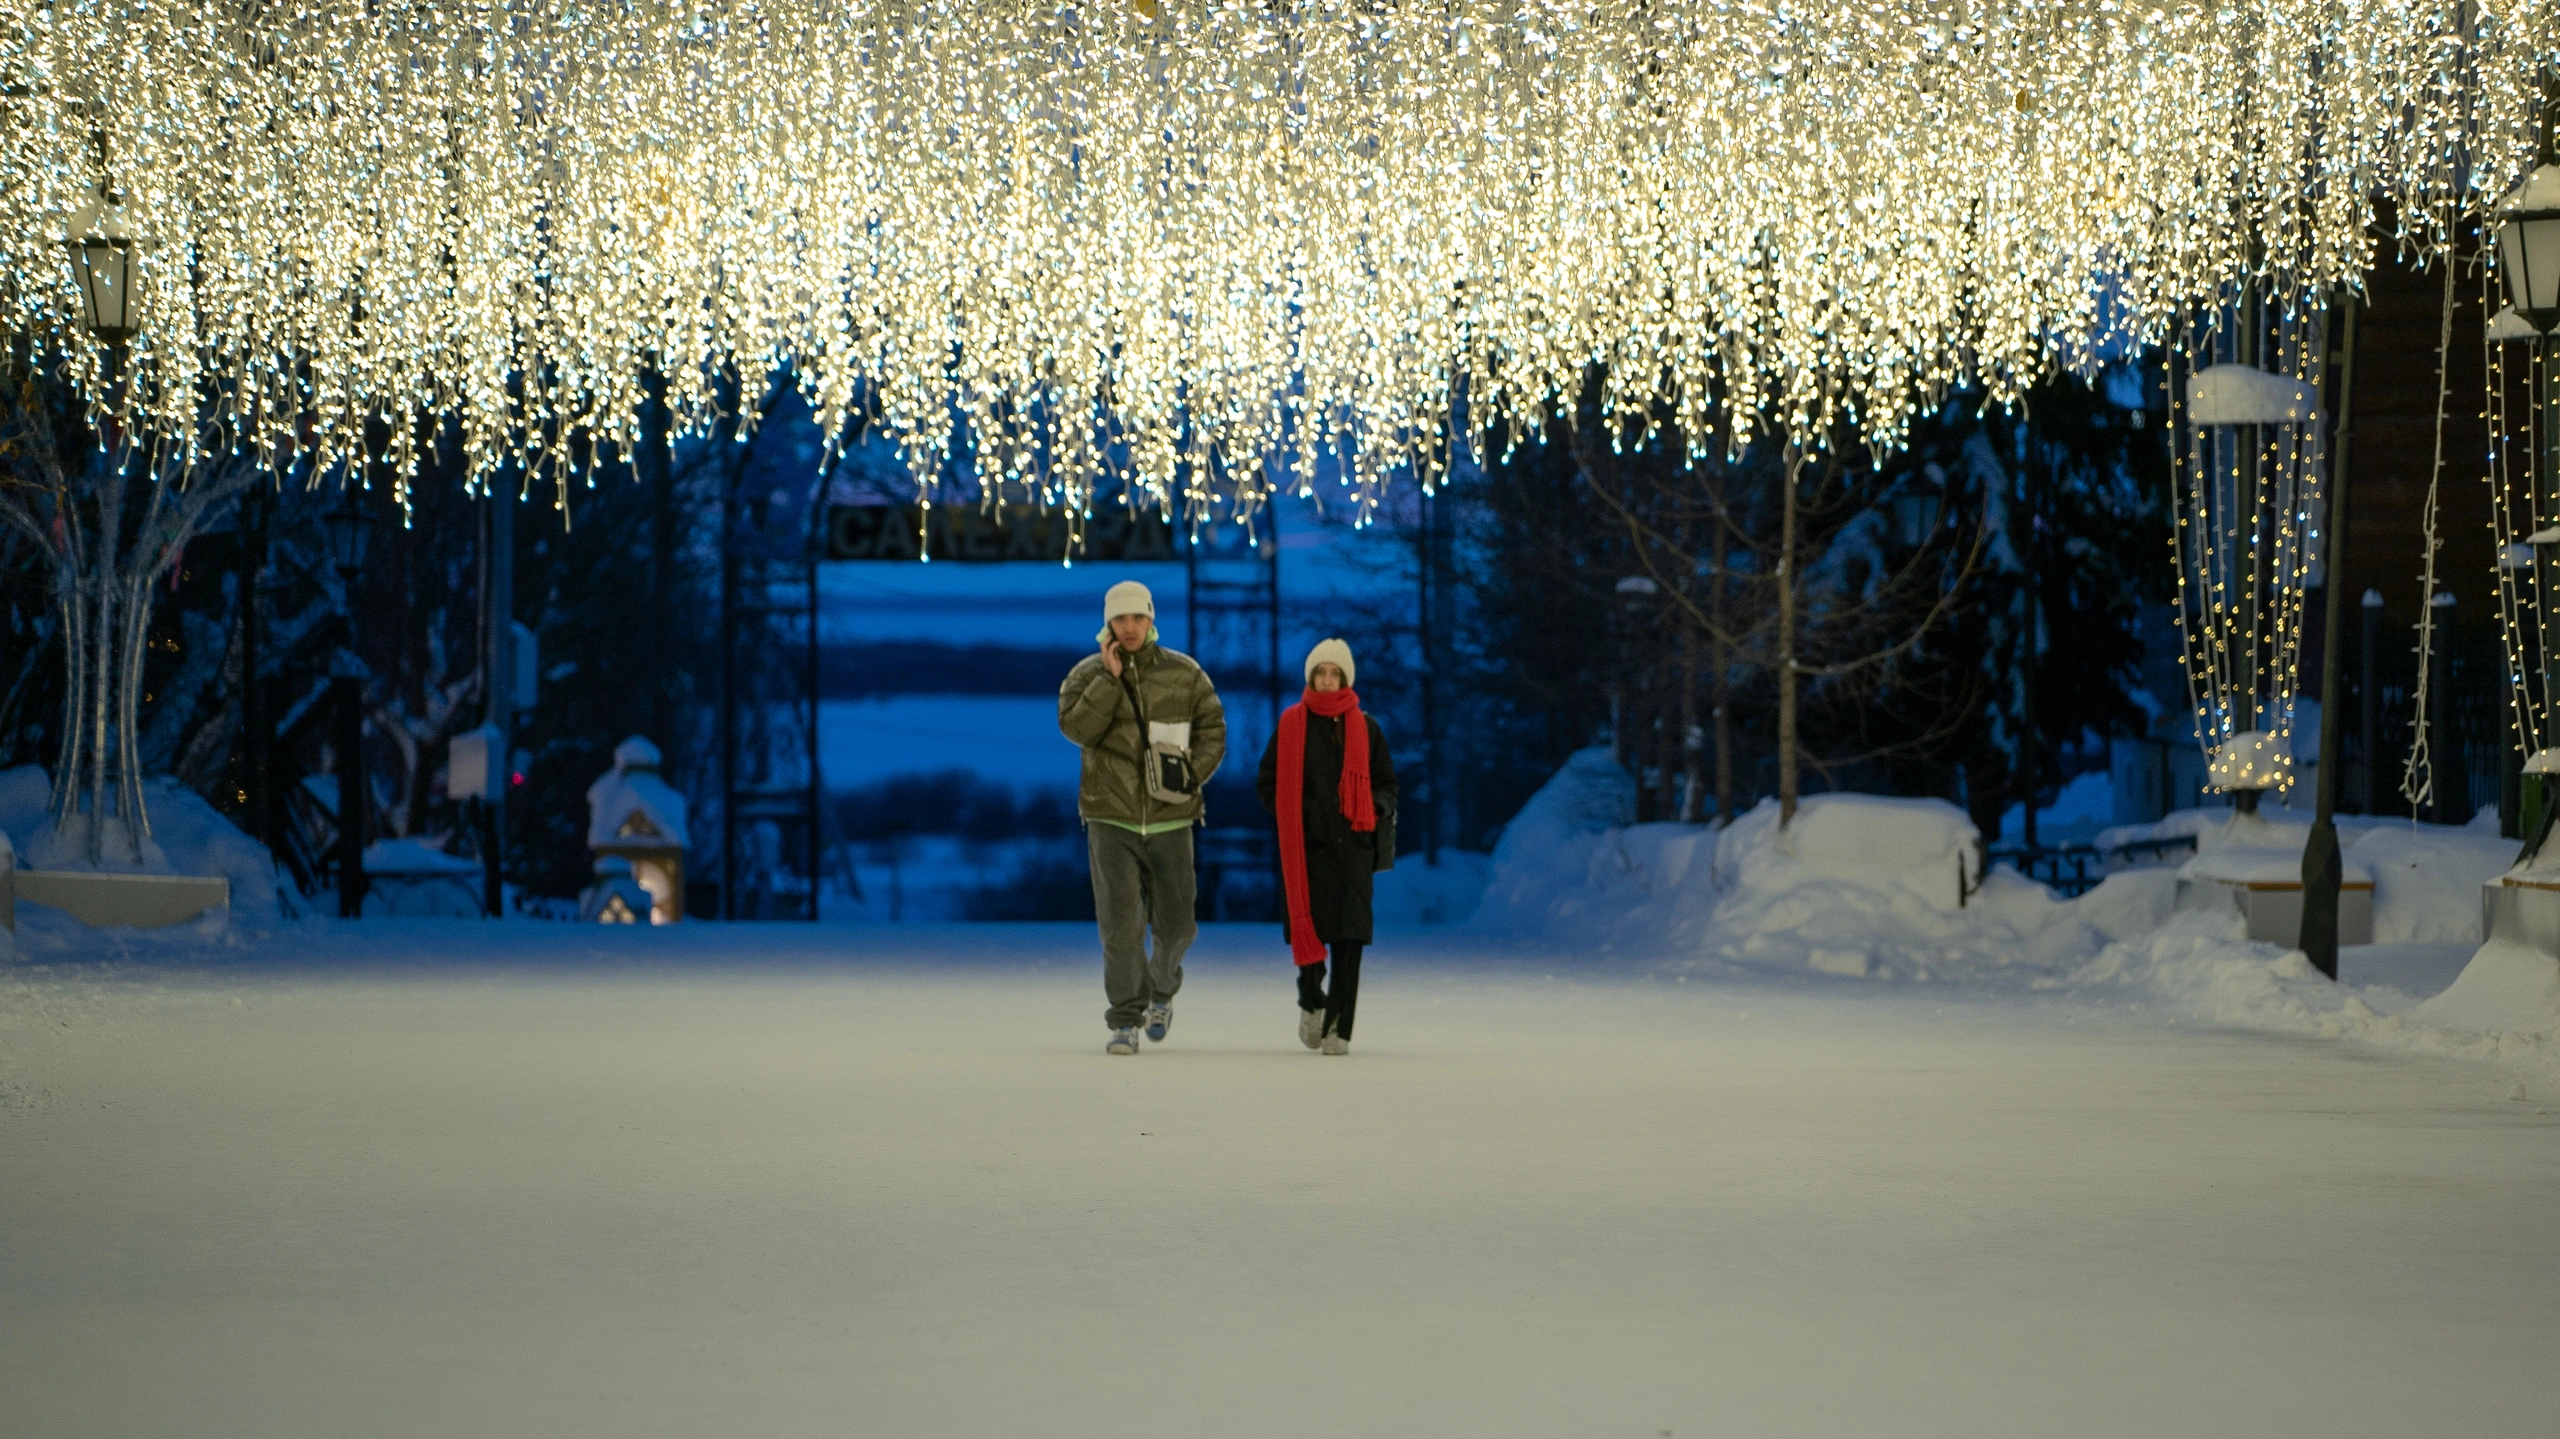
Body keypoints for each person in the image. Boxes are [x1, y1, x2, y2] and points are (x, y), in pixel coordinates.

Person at [1058, 580, 1226, 1055]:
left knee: (1177, 927)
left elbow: (1213, 727)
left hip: (1172, 819)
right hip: (1110, 819)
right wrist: (1109, 682)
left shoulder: (1185, 673)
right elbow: (1076, 728)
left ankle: (1163, 989)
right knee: (1120, 925)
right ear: (1108, 624)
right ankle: (1125, 1019)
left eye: (1138, 618)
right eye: (1120, 619)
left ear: (1152, 620)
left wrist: (1189, 776)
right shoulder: (1086, 675)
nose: (1130, 627)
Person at [1258, 638, 1397, 1056]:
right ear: (1311, 676)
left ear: (1346, 678)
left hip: (1354, 850)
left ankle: (1340, 1027)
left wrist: (1373, 804)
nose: (1327, 679)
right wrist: (1305, 814)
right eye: (1321, 672)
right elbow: (1268, 784)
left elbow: (1387, 783)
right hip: (1309, 850)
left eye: (1335, 673)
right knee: (1312, 938)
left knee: (1350, 941)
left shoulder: (1366, 728)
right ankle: (1310, 999)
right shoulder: (1291, 724)